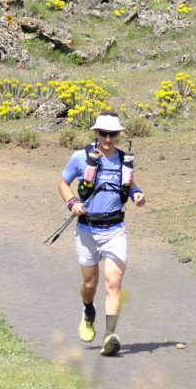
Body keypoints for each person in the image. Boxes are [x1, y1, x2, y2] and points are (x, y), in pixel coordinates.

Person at [57, 112, 146, 356]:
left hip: (115, 229)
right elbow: (63, 183)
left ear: (118, 135)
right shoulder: (81, 157)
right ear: (96, 133)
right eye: (104, 133)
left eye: (113, 134)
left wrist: (138, 194)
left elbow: (130, 185)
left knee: (114, 282)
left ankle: (110, 336)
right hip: (87, 229)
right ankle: (88, 311)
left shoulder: (123, 160)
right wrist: (72, 202)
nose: (108, 138)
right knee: (90, 283)